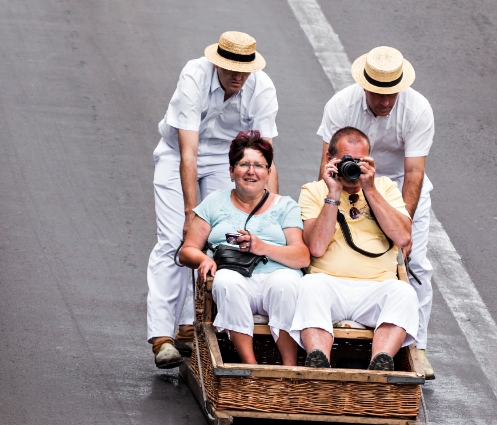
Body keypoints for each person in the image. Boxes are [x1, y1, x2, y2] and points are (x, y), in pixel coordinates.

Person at [147, 31, 279, 369]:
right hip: (178, 154)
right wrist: (192, 213)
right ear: (216, 63)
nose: (237, 77)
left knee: (222, 240)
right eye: (230, 68)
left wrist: (272, 213)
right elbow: (188, 152)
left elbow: (266, 157)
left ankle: (191, 326)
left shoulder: (262, 88)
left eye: (243, 70)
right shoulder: (194, 75)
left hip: (226, 160)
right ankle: (162, 337)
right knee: (175, 239)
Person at [317, 46, 436, 378]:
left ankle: (419, 348)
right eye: (378, 94)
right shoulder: (340, 105)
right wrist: (326, 200)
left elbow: (414, 173)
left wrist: (403, 224)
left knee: (416, 265)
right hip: (349, 181)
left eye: (391, 94)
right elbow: (326, 163)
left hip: (398, 183)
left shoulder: (418, 109)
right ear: (365, 86)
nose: (385, 101)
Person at [291, 127, 419, 371]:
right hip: (329, 285)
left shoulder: (385, 188)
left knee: (404, 293)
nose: (353, 167)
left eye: (360, 161)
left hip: (377, 287)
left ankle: (379, 364)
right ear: (329, 160)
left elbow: (403, 237)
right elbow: (316, 248)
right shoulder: (313, 191)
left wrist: (369, 189)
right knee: (309, 286)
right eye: (346, 160)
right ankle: (319, 362)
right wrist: (333, 193)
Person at [178, 132, 308, 366]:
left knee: (286, 284)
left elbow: (301, 256)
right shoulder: (214, 202)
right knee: (226, 280)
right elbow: (187, 250)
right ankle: (251, 366)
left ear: (268, 173)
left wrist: (262, 246)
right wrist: (202, 260)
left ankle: (290, 367)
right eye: (244, 164)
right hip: (234, 276)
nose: (251, 171)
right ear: (231, 171)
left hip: (276, 277)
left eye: (259, 165)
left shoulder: (286, 205)